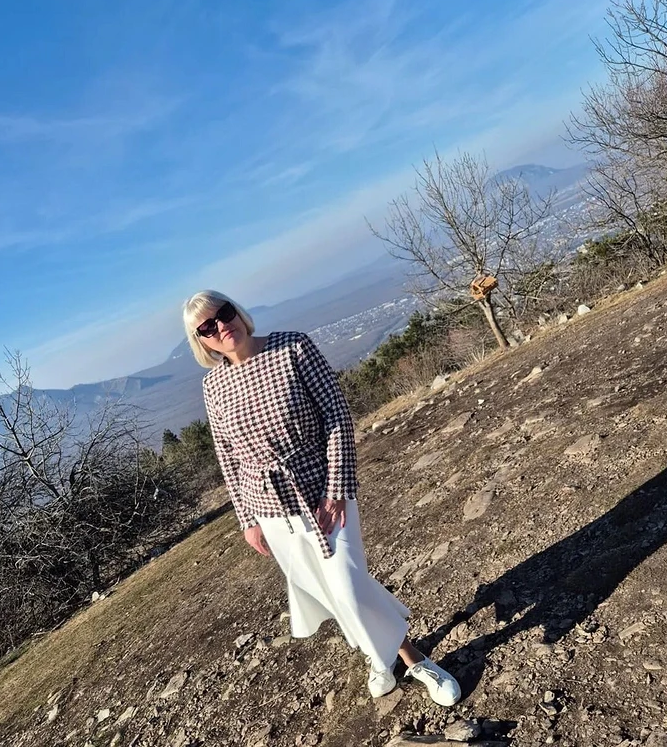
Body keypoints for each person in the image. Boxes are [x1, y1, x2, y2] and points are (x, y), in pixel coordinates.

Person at [182, 290, 461, 705]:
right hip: (271, 510)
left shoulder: (292, 347)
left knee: (348, 586)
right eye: (208, 326)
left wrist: (336, 490)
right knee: (330, 592)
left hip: (321, 490)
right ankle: (379, 657)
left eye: (223, 313)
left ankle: (415, 660)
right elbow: (227, 456)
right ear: (201, 341)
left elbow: (336, 416)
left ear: (236, 311)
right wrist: (247, 520)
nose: (221, 326)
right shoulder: (213, 385)